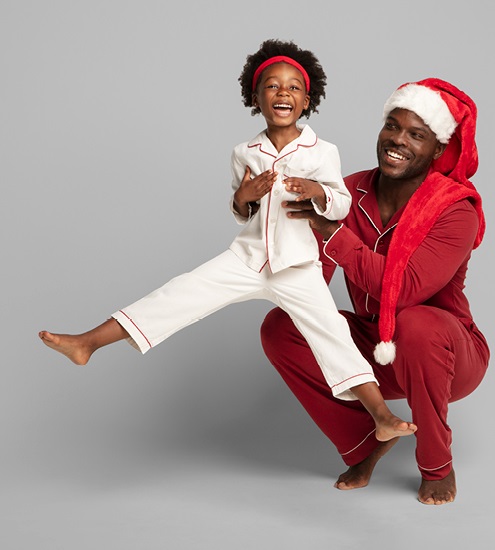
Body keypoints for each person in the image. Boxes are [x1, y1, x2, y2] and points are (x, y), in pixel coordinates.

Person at [39, 39, 416, 443]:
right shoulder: (244, 152)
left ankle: (381, 416)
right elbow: (241, 210)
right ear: (256, 98)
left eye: (292, 87)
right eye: (272, 86)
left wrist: (317, 191)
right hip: (246, 258)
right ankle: (88, 343)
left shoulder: (323, 151)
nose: (282, 92)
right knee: (179, 293)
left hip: (297, 266)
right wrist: (244, 196)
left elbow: (341, 206)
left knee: (332, 334)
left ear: (307, 100)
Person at [260, 78, 490, 505]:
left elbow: (405, 291)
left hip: (449, 352)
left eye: (416, 135)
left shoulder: (456, 209)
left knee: (415, 322)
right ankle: (367, 440)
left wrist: (331, 232)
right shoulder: (346, 192)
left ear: (438, 150)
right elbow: (313, 278)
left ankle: (437, 464)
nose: (397, 140)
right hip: (375, 343)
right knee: (281, 327)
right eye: (392, 126)